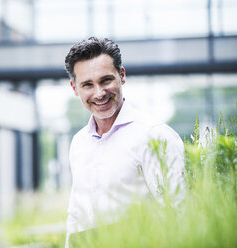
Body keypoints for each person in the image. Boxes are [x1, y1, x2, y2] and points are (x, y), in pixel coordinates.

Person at [64, 37, 185, 247]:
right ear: (75, 88)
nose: (99, 93)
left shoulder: (154, 135)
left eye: (106, 80)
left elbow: (178, 210)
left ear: (121, 75)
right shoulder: (79, 143)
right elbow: (76, 214)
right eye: (87, 85)